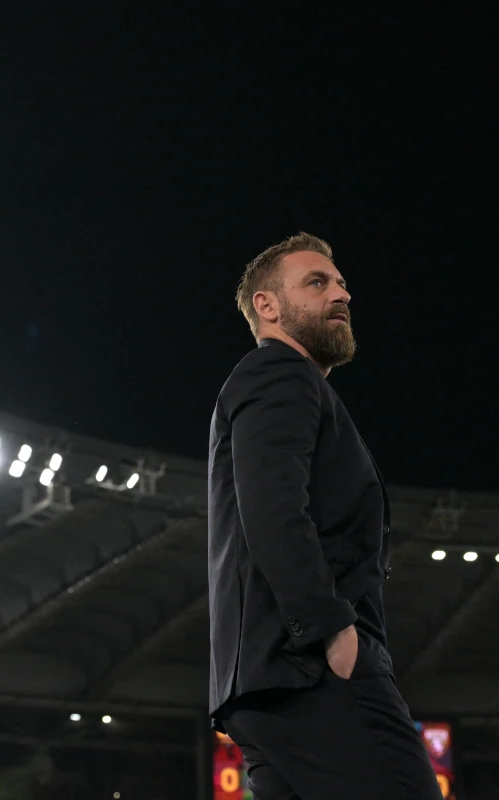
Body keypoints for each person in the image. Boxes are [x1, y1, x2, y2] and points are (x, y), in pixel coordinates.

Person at [206, 233, 443, 799]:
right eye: (317, 282)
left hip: (268, 684)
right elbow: (273, 509)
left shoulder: (287, 383)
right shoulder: (281, 373)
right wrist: (332, 632)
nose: (341, 293)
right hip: (311, 669)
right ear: (267, 307)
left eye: (340, 283)